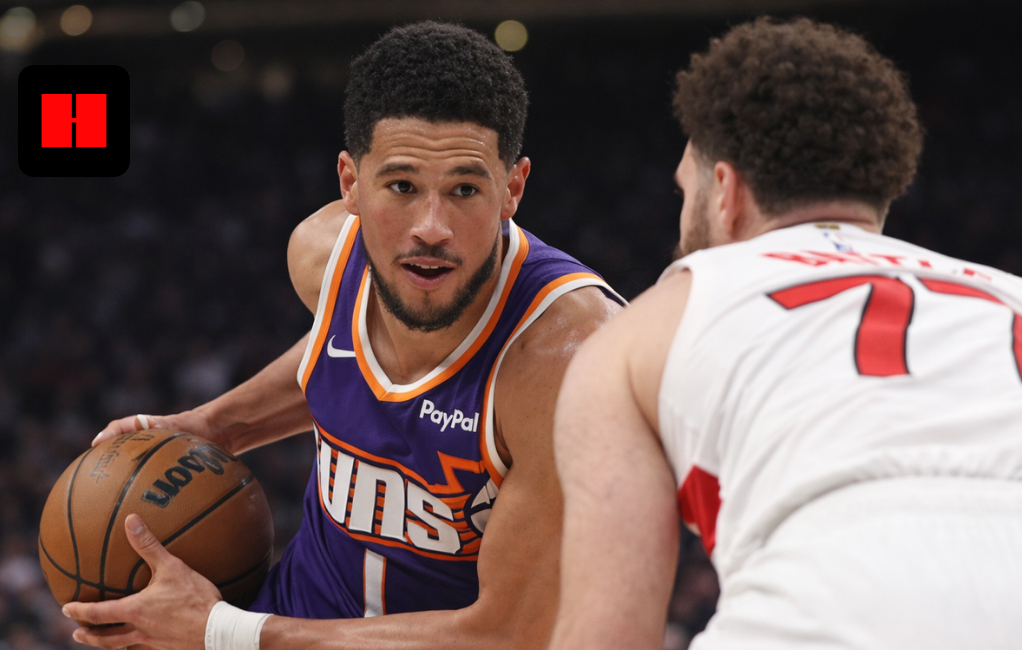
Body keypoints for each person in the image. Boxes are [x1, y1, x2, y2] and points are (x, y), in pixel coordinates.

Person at [550, 17, 1022, 650]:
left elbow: (607, 634)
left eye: (684, 189)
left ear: (724, 191)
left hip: (843, 600)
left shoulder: (648, 323)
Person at [67, 21, 622, 650]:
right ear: (349, 183)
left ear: (513, 189)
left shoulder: (564, 360)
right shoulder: (323, 257)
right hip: (293, 616)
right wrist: (218, 425)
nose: (430, 227)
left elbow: (508, 631)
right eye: (401, 187)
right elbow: (342, 345)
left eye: (465, 188)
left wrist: (221, 630)